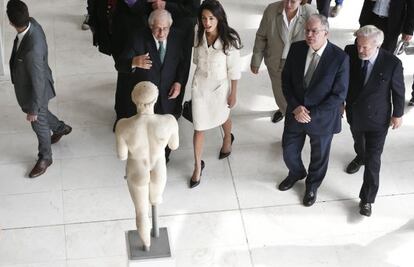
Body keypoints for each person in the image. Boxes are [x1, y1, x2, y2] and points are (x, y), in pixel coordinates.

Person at [278, 14, 349, 207]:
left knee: (319, 157)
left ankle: (312, 185)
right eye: (307, 30)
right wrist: (295, 107)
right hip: (295, 112)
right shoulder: (296, 49)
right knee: (289, 151)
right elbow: (286, 82)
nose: (309, 34)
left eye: (314, 31)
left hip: (322, 118)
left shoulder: (340, 58)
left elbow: (339, 95)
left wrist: (310, 113)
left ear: (326, 33)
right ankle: (296, 172)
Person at [7, 0, 72, 178]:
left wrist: (33, 109)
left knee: (39, 124)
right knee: (43, 115)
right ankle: (60, 128)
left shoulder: (32, 51)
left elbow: (37, 81)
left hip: (36, 91)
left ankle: (46, 157)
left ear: (11, 22)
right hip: (35, 84)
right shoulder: (32, 23)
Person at [344, 25, 405, 217]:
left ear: (377, 46)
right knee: (359, 143)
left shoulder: (392, 63)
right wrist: (340, 101)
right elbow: (343, 79)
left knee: (373, 160)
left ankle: (367, 199)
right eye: (358, 45)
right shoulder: (350, 51)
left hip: (378, 118)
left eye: (365, 48)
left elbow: (398, 90)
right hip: (354, 113)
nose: (360, 50)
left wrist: (398, 114)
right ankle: (359, 155)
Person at [115, 9, 189, 161]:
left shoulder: (178, 37)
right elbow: (120, 65)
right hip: (145, 99)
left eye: (165, 28)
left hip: (168, 95)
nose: (161, 33)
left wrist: (179, 83)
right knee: (144, 132)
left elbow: (183, 64)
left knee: (164, 132)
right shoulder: (137, 38)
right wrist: (133, 62)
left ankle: (164, 157)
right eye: (157, 28)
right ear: (150, 26)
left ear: (170, 26)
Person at [115, 81, 179, 250]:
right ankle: (156, 202)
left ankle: (147, 245)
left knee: (141, 213)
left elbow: (121, 156)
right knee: (156, 199)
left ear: (134, 100)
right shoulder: (169, 121)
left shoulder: (123, 125)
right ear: (156, 99)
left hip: (137, 170)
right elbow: (174, 146)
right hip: (159, 168)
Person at [189, 0, 242, 188]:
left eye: (211, 18)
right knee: (199, 126)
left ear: (219, 18)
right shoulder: (198, 35)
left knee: (223, 116)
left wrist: (233, 93)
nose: (207, 22)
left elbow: (234, 70)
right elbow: (196, 60)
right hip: (200, 87)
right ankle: (197, 166)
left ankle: (228, 137)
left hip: (220, 86)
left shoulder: (230, 39)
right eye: (204, 18)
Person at [251, 0, 317, 124]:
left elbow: (318, 40)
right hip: (276, 62)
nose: (288, 5)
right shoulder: (271, 10)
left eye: (293, 1)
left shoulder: (311, 13)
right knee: (280, 94)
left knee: (298, 94)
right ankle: (284, 111)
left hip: (300, 66)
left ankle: (292, 121)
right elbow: (261, 36)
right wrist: (256, 60)